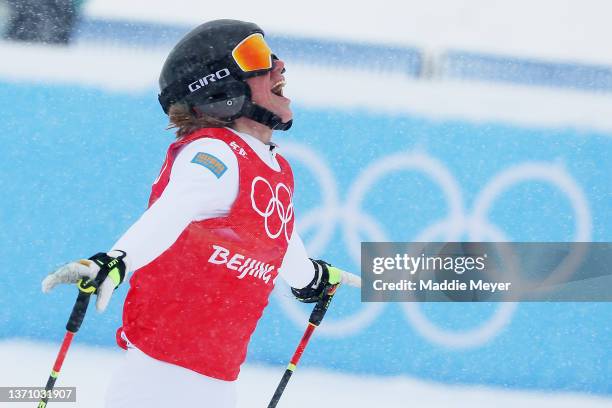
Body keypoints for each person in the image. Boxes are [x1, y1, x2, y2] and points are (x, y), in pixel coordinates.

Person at [42, 19, 347, 408]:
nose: (279, 65)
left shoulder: (274, 169)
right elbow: (173, 210)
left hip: (216, 384)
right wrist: (117, 262)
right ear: (220, 86)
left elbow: (278, 236)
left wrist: (311, 278)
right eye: (256, 56)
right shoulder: (216, 154)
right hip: (157, 383)